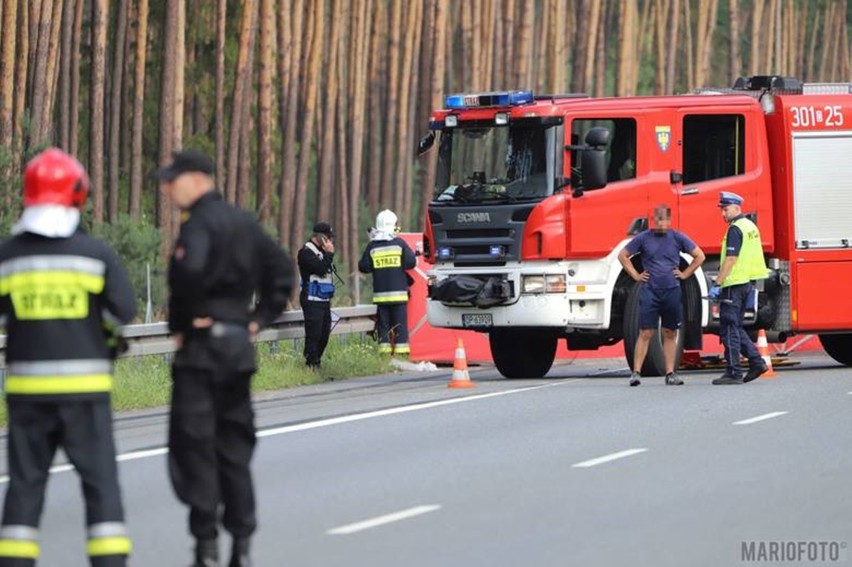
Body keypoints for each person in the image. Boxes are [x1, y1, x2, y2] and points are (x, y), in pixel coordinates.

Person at [155, 149, 294, 567]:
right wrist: (256, 320)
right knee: (234, 449)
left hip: (200, 354)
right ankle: (243, 547)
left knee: (194, 446)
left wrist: (181, 323)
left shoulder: (197, 225)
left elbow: (189, 273)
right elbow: (283, 271)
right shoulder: (242, 222)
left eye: (172, 180)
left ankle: (206, 547)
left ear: (198, 180)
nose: (167, 188)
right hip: (236, 349)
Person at [0, 148, 136, 567]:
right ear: (78, 197)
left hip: (26, 396)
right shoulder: (95, 255)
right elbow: (124, 312)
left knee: (24, 487)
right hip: (86, 394)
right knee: (100, 486)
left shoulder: (7, 257)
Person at [618, 204, 706, 387]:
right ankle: (636, 373)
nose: (662, 223)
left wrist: (685, 274)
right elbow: (623, 255)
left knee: (670, 332)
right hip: (650, 290)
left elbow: (699, 256)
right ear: (653, 220)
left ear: (669, 220)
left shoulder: (677, 237)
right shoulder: (643, 238)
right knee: (645, 332)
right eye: (658, 219)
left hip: (672, 290)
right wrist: (635, 275)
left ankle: (670, 373)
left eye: (665, 219)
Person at [709, 192, 769, 385]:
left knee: (728, 328)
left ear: (736, 208)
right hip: (746, 283)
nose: (723, 214)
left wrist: (717, 283)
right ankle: (756, 362)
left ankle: (734, 371)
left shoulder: (735, 229)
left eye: (725, 209)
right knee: (735, 326)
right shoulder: (750, 226)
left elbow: (731, 258)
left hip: (733, 284)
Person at [359, 209, 417, 356]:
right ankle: (402, 353)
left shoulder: (372, 246)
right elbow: (411, 263)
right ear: (393, 225)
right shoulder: (399, 244)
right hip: (399, 295)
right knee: (400, 325)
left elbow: (363, 267)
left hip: (381, 296)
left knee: (383, 325)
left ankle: (384, 354)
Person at [297, 222, 337, 369]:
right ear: (319, 237)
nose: (330, 241)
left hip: (324, 300)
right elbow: (320, 269)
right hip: (311, 299)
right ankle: (311, 364)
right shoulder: (306, 253)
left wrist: (328, 255)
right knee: (314, 334)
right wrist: (329, 254)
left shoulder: (322, 252)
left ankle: (316, 361)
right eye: (328, 237)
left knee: (324, 334)